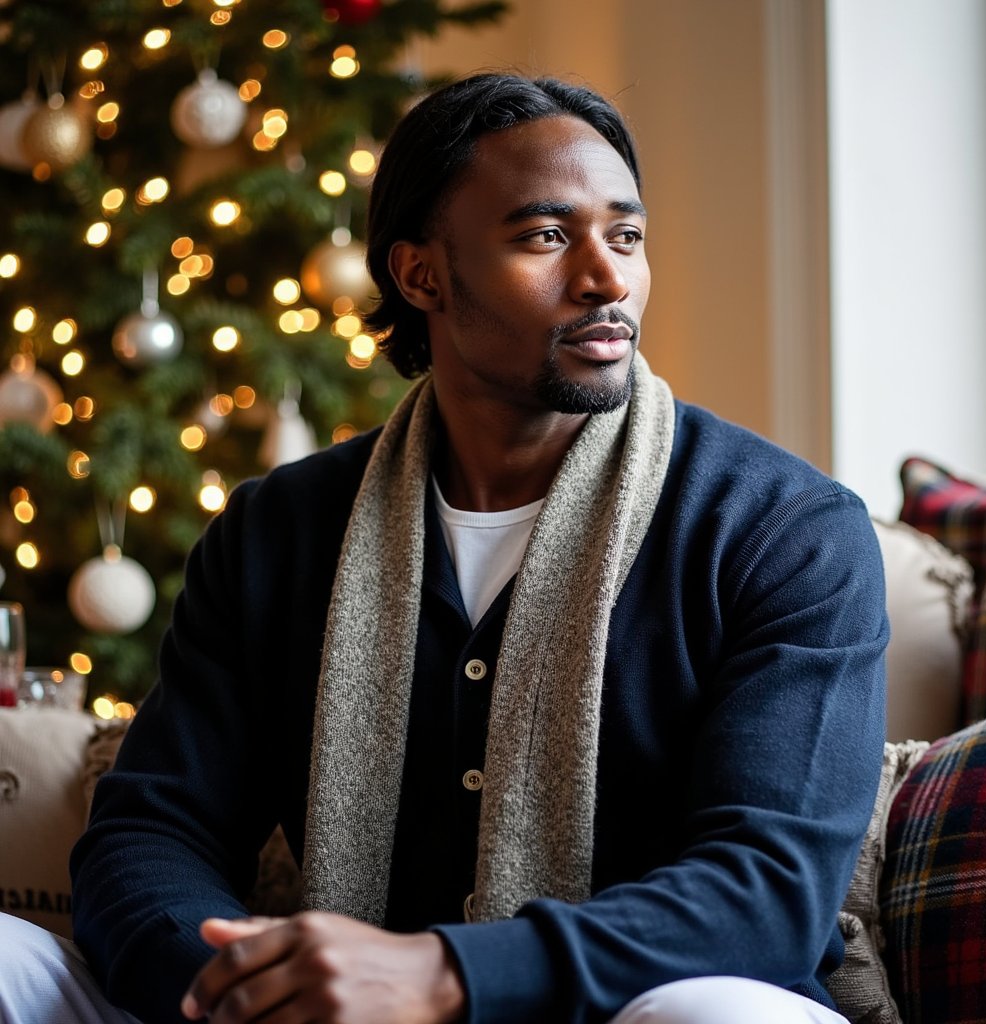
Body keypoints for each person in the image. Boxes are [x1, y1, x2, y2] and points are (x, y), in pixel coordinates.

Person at [0, 73, 888, 1024]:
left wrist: (447, 975)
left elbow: (768, 893)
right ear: (421, 275)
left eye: (626, 236)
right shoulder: (276, 531)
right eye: (546, 237)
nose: (607, 279)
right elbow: (150, 832)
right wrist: (248, 987)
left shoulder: (784, 530)